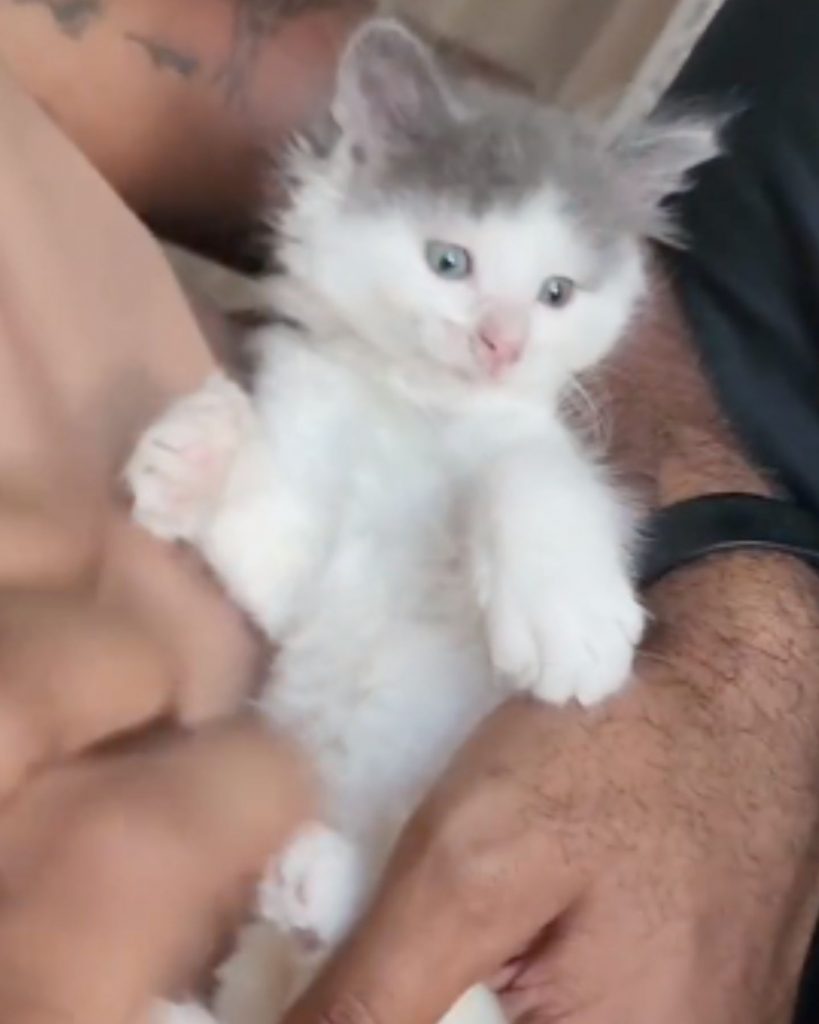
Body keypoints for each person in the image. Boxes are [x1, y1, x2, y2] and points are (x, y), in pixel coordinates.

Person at [0, 1, 817, 1022]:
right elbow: (285, 565)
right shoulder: (314, 375)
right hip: (313, 831)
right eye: (450, 266)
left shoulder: (524, 436)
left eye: (556, 296)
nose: (501, 344)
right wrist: (220, 484)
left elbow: (538, 499)